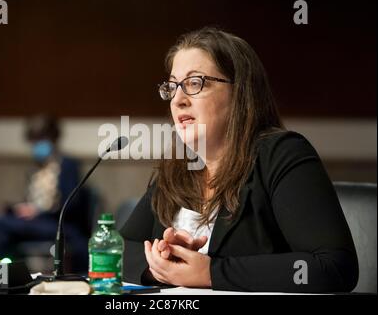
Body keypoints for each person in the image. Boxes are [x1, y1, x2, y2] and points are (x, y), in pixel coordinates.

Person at [120, 27, 358, 293]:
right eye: (173, 86)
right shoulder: (177, 168)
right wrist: (162, 266)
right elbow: (122, 249)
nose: (178, 100)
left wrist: (211, 272)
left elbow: (334, 267)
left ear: (240, 92)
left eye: (195, 83)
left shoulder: (282, 154)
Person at [0, 114, 93, 273]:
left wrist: (38, 211)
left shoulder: (67, 165)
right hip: (37, 223)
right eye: (34, 140)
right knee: (1, 227)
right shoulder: (36, 169)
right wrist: (21, 208)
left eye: (40, 139)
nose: (36, 145)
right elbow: (32, 200)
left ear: (53, 138)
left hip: (58, 224)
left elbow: (71, 203)